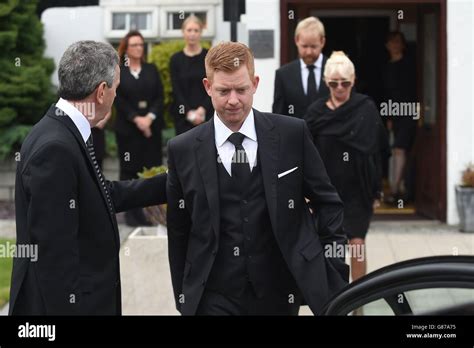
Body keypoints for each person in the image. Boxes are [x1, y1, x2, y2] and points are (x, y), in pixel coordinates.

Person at [166, 41, 349, 316]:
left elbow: (328, 203)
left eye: (241, 89)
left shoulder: (291, 134)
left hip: (279, 293)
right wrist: (183, 296)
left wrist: (332, 270)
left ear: (255, 83)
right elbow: (179, 230)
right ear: (207, 87)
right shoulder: (182, 149)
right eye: (223, 90)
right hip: (213, 296)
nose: (233, 100)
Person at [10, 41, 167, 315]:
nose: (116, 96)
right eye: (116, 88)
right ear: (102, 91)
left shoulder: (63, 129)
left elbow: (98, 194)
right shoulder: (56, 148)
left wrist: (167, 184)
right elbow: (55, 258)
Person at [304, 52, 389, 292]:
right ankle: (336, 300)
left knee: (357, 244)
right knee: (332, 249)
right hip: (327, 192)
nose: (339, 88)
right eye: (333, 83)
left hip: (359, 189)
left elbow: (377, 152)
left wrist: (376, 192)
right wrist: (307, 192)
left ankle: (359, 300)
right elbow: (305, 156)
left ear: (353, 81)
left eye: (345, 83)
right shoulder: (315, 113)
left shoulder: (366, 108)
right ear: (325, 82)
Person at [115, 30, 165, 226]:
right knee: (130, 171)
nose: (138, 48)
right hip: (129, 131)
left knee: (151, 172)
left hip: (150, 132)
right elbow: (119, 99)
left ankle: (151, 215)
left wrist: (149, 119)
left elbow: (159, 97)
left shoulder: (151, 69)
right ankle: (131, 215)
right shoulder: (119, 71)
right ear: (126, 48)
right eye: (134, 45)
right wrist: (137, 119)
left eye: (141, 45)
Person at [382, 31, 417, 203]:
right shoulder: (388, 66)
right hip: (395, 113)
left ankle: (396, 190)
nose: (394, 45)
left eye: (397, 42)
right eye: (391, 42)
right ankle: (397, 189)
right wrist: (389, 116)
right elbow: (389, 93)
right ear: (387, 45)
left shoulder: (409, 64)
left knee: (400, 149)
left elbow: (413, 90)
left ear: (402, 44)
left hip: (409, 112)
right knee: (396, 150)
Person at [273, 16, 329, 118]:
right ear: (296, 40)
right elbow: (278, 116)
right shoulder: (283, 75)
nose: (309, 52)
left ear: (322, 42)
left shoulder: (335, 70)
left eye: (313, 46)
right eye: (305, 46)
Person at [170, 15, 213, 135]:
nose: (192, 34)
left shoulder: (209, 56)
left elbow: (213, 85)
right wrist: (188, 112)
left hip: (207, 115)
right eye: (189, 30)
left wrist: (202, 110)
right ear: (183, 32)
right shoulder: (176, 59)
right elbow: (176, 89)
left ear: (201, 33)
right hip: (183, 117)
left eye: (196, 30)